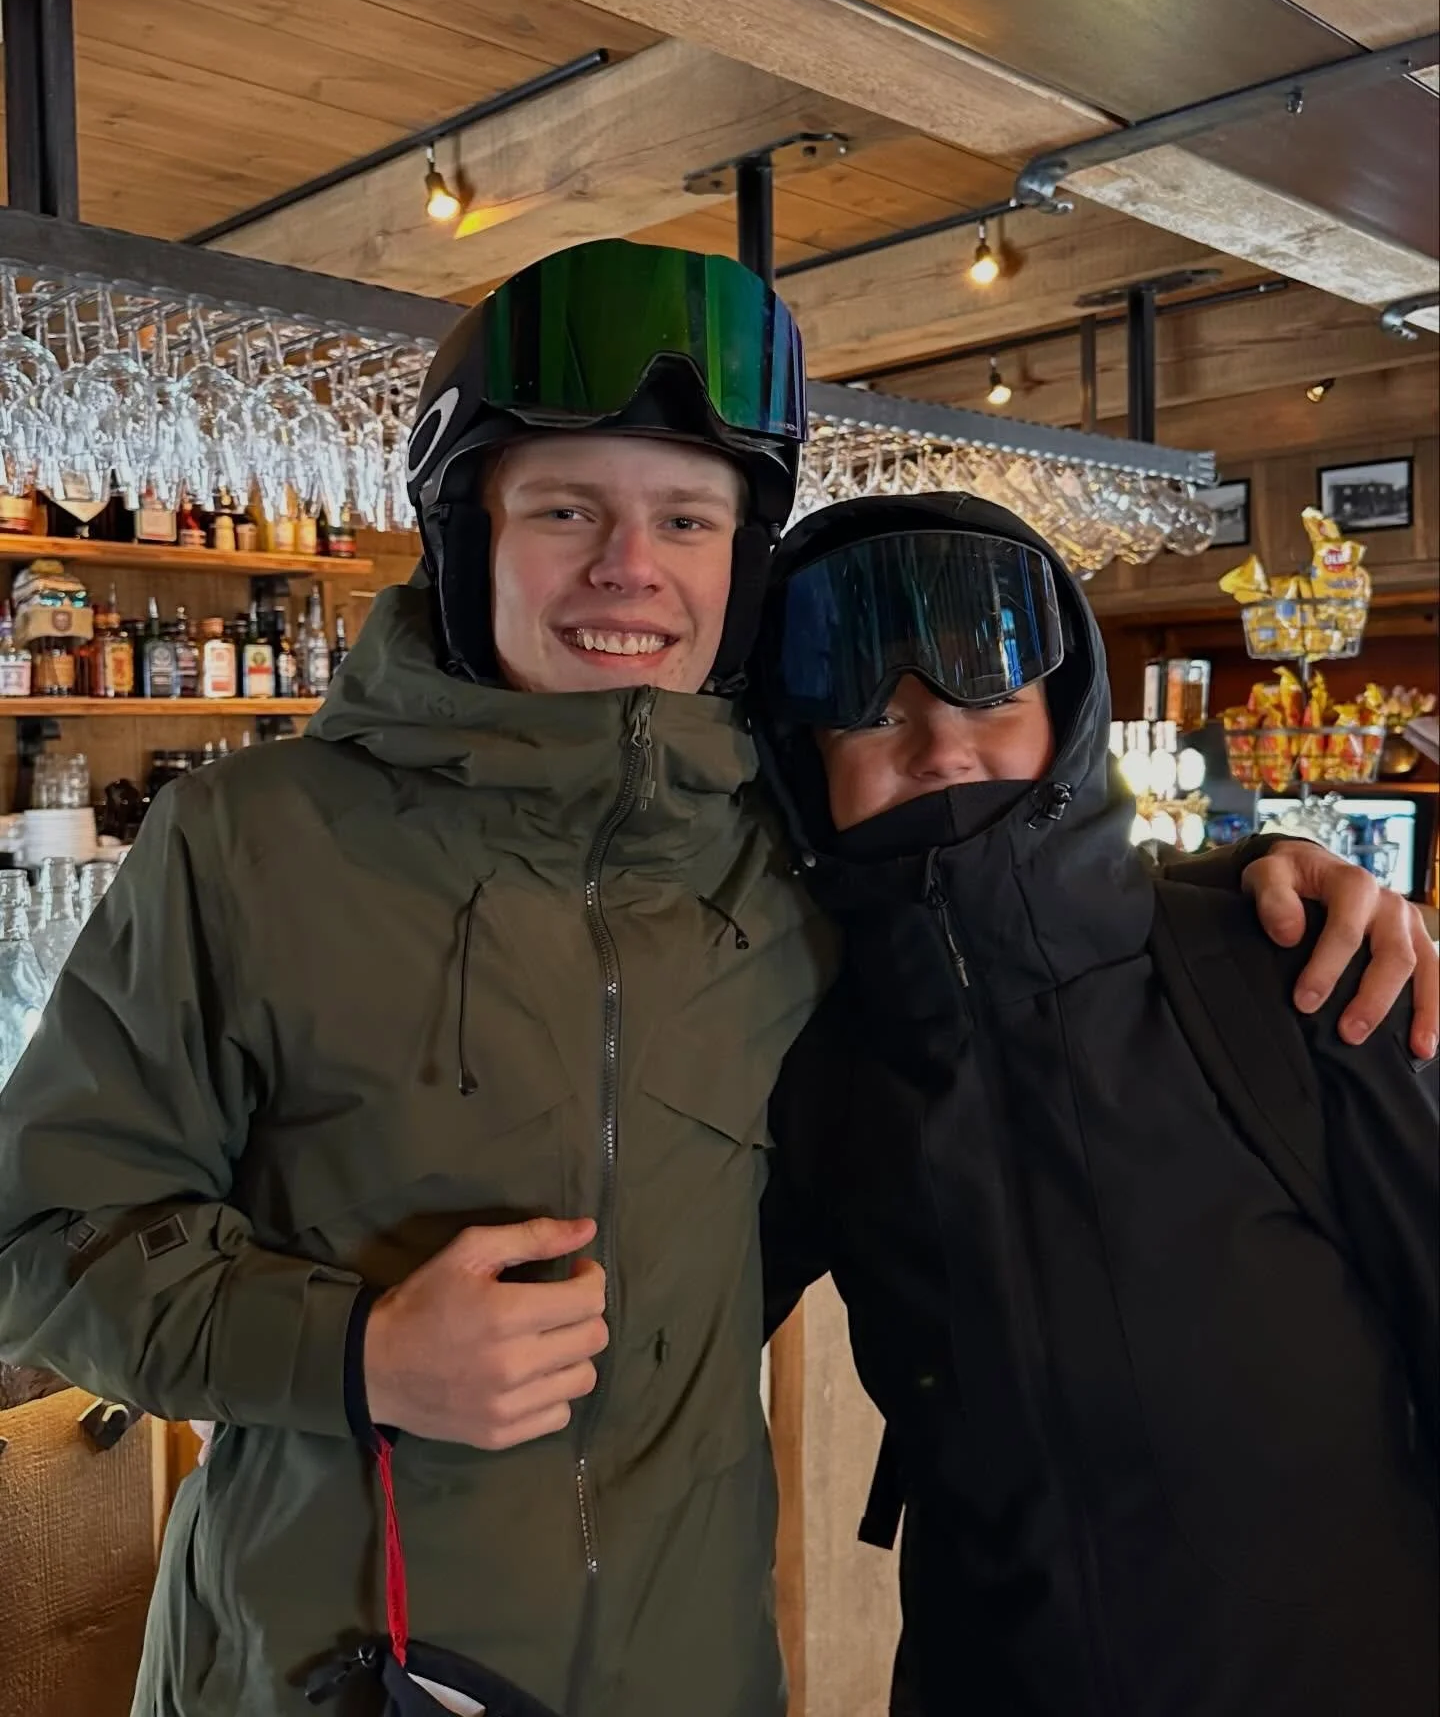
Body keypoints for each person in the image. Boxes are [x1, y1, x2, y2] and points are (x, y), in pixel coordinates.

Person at [0, 243, 1420, 1717]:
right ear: (465, 532)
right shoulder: (249, 842)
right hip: (327, 1673)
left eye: (685, 517)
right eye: (566, 510)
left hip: (691, 1674)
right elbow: (36, 1246)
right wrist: (355, 1354)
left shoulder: (777, 864)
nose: (630, 566)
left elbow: (998, 918)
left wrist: (1244, 888)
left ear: (735, 570)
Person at [756, 492, 1439, 1717]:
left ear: (1066, 718)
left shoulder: (1293, 969)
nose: (942, 751)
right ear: (802, 763)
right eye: (875, 717)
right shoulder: (818, 1064)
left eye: (989, 699)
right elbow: (646, 1332)